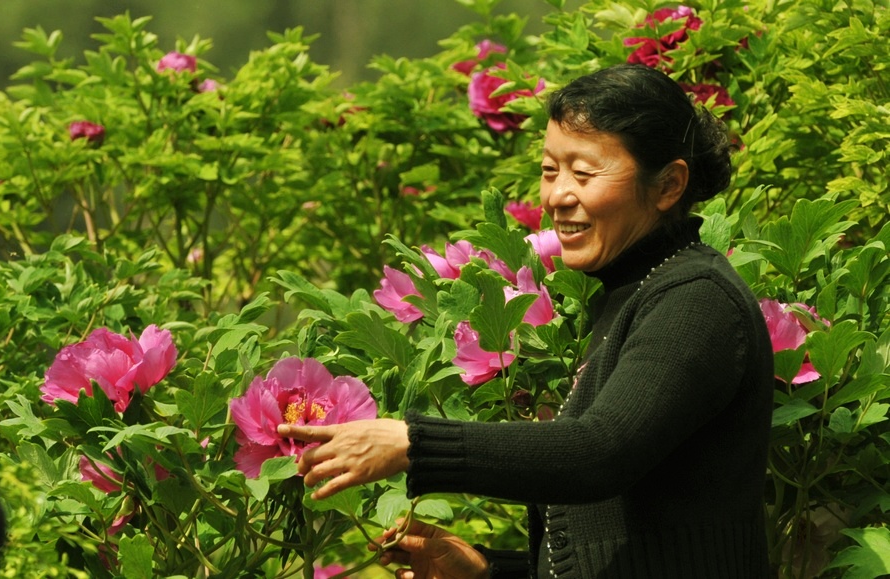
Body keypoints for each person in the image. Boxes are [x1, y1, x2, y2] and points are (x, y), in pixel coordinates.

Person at [278, 63, 774, 578]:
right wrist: (486, 570)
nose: (558, 195)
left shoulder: (696, 301)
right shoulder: (634, 293)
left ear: (669, 184)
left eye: (583, 173)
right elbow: (633, 544)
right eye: (549, 170)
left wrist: (412, 443)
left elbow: (600, 452)